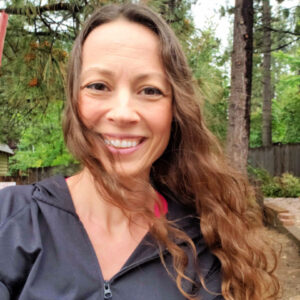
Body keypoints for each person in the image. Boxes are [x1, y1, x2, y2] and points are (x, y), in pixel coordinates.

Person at [0, 4, 279, 300]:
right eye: (98, 86)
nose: (123, 113)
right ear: (74, 100)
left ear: (175, 109)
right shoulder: (11, 218)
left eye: (150, 90)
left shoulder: (209, 246)